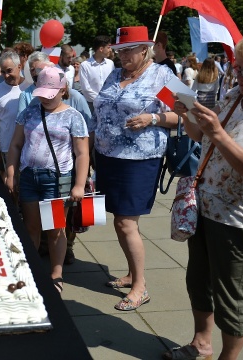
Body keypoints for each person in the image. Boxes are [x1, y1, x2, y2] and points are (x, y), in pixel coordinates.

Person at [164, 26, 243, 360]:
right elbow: (203, 137)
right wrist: (188, 115)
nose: (239, 74)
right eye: (238, 67)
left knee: (231, 297)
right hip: (205, 206)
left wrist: (217, 133)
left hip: (239, 219)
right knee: (198, 281)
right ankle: (201, 344)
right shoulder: (234, 98)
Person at [90, 26, 179, 311]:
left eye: (128, 50)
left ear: (145, 49)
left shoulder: (162, 75)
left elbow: (191, 114)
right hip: (107, 156)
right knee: (119, 220)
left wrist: (153, 117)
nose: (121, 55)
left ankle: (141, 287)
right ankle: (131, 274)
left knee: (127, 223)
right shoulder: (116, 74)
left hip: (139, 160)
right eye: (118, 51)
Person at [6, 66, 89, 294]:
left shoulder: (73, 116)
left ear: (63, 89)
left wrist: (79, 184)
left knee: (55, 229)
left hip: (55, 181)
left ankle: (56, 272)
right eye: (41, 93)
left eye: (49, 94)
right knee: (31, 227)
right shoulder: (29, 113)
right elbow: (15, 144)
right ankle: (31, 271)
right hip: (30, 178)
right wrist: (11, 172)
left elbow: (82, 153)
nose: (44, 98)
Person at [0, 51, 30, 180]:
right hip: (7, 147)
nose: (6, 75)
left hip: (29, 147)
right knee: (12, 185)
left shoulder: (30, 87)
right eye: (3, 72)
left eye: (9, 71)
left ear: (19, 67)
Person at [80, 35, 115, 113]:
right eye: (108, 47)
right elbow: (86, 89)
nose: (110, 50)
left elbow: (114, 83)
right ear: (101, 49)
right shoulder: (85, 65)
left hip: (110, 104)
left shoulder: (110, 64)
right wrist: (100, 100)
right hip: (92, 106)